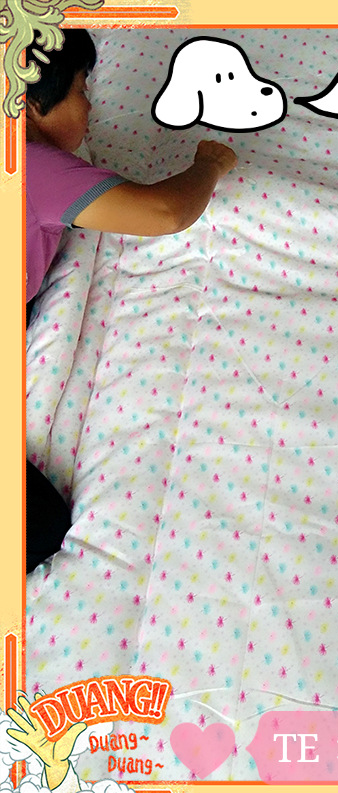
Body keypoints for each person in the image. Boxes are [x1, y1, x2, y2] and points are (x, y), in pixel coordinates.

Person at [25, 29, 237, 573]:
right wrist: (208, 164)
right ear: (33, 101)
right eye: (82, 89)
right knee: (38, 527)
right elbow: (165, 212)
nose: (91, 107)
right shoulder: (30, 166)